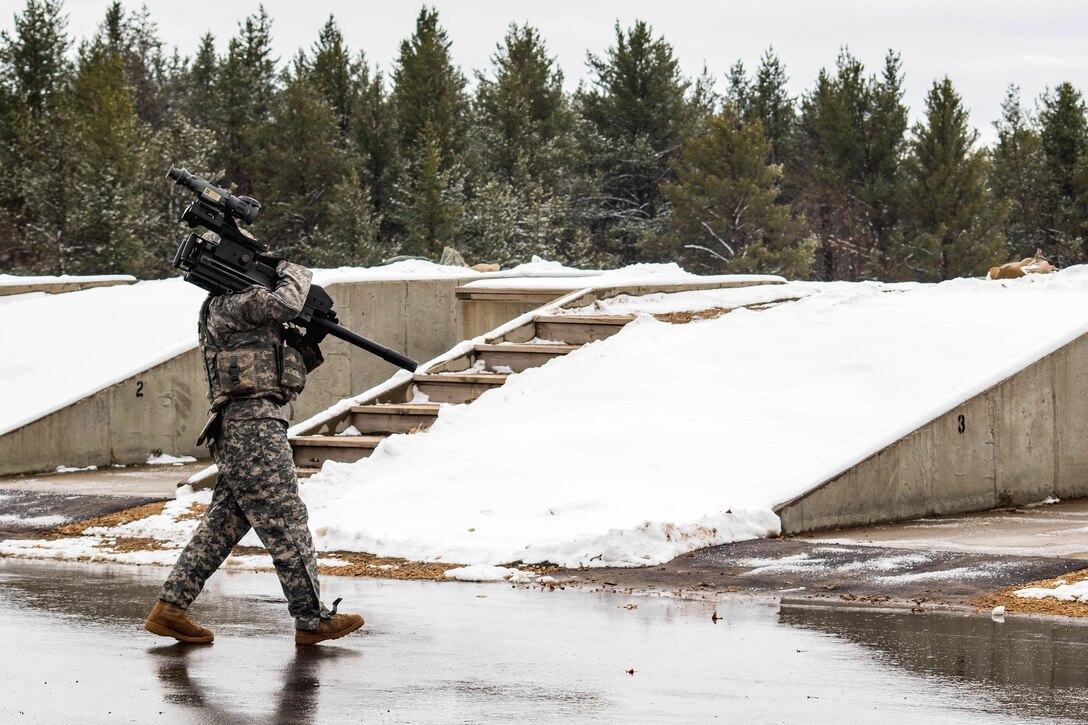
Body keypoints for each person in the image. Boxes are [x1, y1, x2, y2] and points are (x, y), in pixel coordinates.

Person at [144, 259, 364, 646]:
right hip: (254, 429)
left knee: (223, 524)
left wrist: (306, 339)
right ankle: (311, 620)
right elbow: (284, 304)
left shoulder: (240, 312)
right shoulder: (232, 303)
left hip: (248, 426)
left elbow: (279, 362)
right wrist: (290, 270)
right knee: (286, 520)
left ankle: (171, 609)